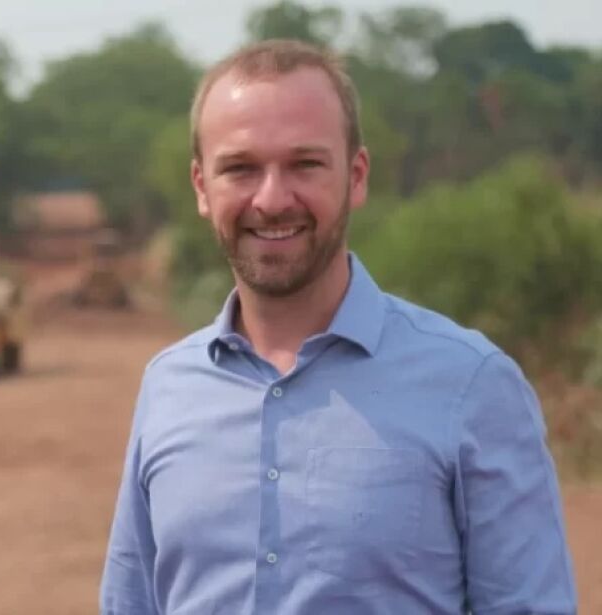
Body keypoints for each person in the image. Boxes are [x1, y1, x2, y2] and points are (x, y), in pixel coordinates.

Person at [99, 39, 577, 614]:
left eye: (304, 164)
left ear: (356, 176)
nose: (272, 200)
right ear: (202, 186)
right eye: (241, 168)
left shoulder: (472, 385)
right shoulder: (168, 386)